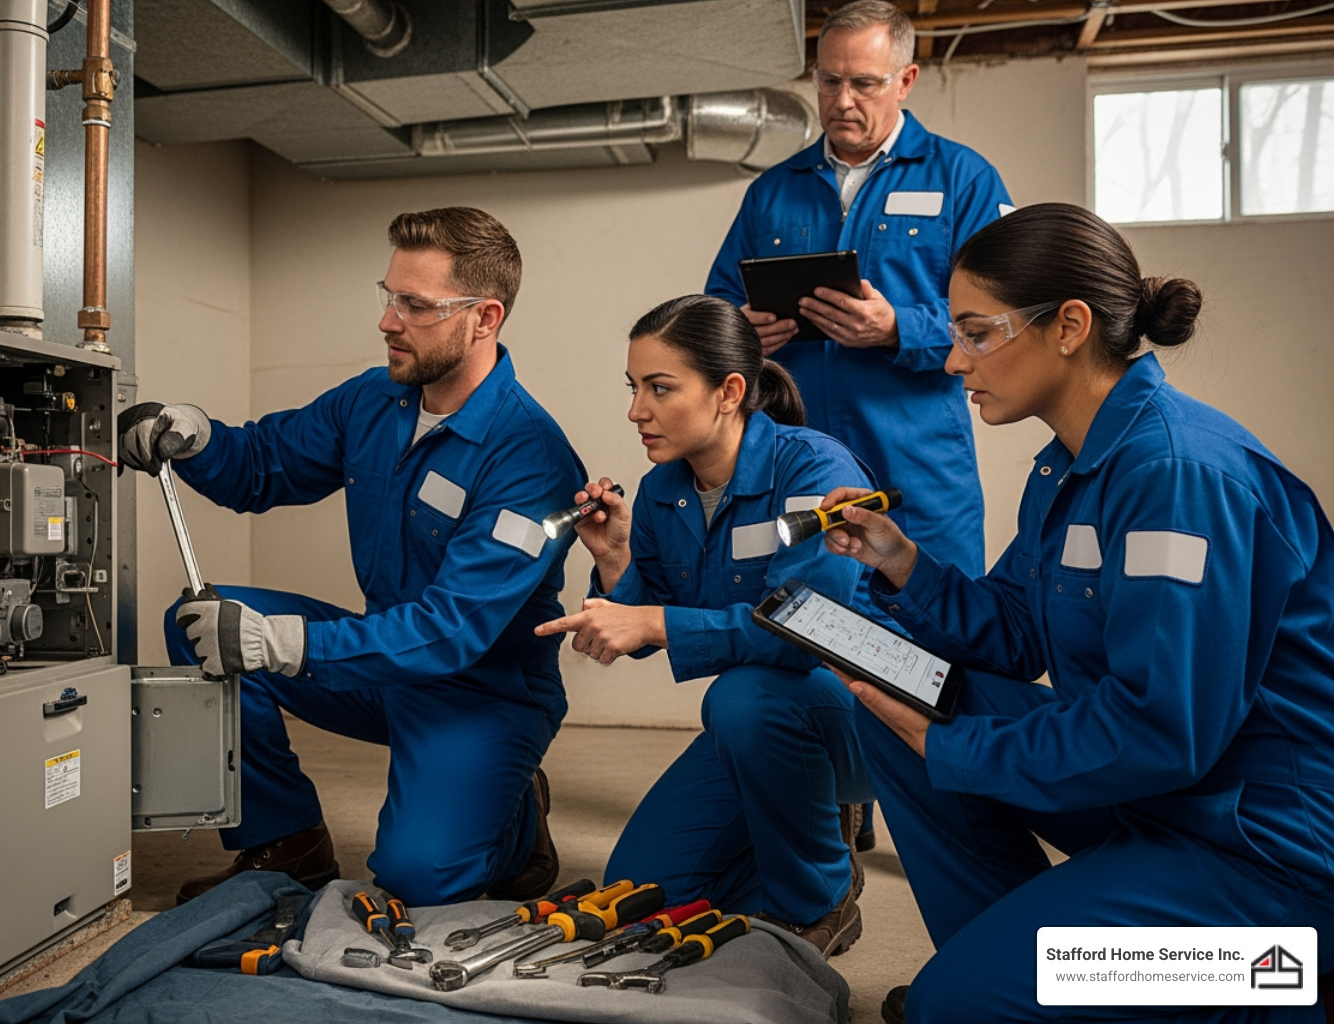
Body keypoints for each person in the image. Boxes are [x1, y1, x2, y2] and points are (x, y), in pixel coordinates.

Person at [821, 203, 1334, 1024]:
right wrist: (900, 562)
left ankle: (1267, 984)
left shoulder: (1177, 477)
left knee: (955, 1006)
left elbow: (1162, 730)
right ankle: (1031, 967)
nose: (954, 360)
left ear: (1068, 326)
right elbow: (1020, 631)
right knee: (902, 708)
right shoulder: (1070, 466)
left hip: (1261, 848)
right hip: (1162, 799)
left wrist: (964, 747)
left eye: (977, 332)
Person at [117, 207, 587, 907]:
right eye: (388, 296)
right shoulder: (375, 400)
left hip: (481, 693)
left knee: (416, 877)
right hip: (384, 667)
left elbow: (452, 629)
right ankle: (286, 841)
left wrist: (282, 642)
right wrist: (198, 436)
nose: (388, 322)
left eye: (415, 305)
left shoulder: (530, 458)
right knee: (201, 625)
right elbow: (264, 465)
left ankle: (514, 811)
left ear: (484, 318)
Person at [536, 294, 878, 958]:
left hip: (859, 714)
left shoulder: (817, 471)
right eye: (635, 388)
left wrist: (654, 621)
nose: (637, 410)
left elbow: (808, 626)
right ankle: (803, 828)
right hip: (767, 725)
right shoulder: (664, 489)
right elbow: (649, 614)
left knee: (742, 694)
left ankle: (822, 896)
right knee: (647, 889)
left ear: (729, 391)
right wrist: (614, 562)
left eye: (660, 388)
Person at [705, 0, 1011, 585]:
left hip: (918, 470)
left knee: (938, 638)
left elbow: (1002, 318)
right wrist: (742, 333)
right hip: (796, 462)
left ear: (906, 81)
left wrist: (898, 328)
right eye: (829, 80)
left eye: (865, 83)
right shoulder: (772, 191)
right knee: (806, 632)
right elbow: (715, 308)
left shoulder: (963, 180)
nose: (842, 101)